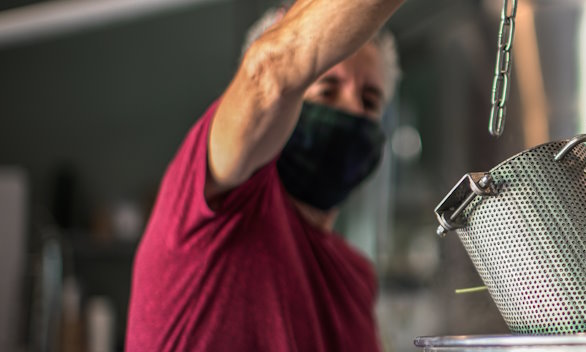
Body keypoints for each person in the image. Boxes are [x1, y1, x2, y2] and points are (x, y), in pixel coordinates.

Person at [126, 0, 405, 350]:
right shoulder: (214, 203)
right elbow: (272, 69)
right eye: (327, 90)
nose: (353, 109)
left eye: (370, 101)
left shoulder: (356, 278)